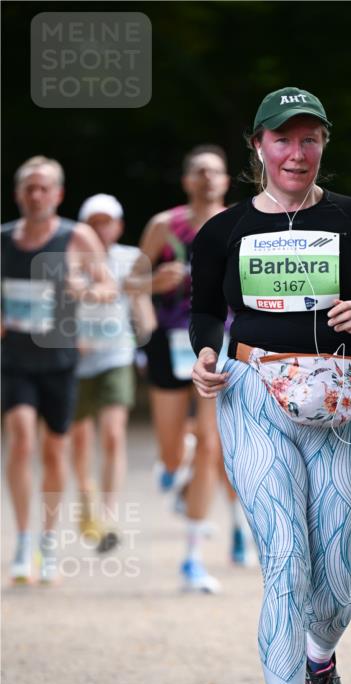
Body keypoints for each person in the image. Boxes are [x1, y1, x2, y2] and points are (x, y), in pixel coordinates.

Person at [189, 87, 351, 684]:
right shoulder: (223, 230)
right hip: (254, 396)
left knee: (334, 589)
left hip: (342, 400)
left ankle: (321, 653)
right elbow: (203, 310)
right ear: (256, 147)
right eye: (283, 139)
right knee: (284, 559)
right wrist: (203, 355)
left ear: (323, 146)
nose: (297, 152)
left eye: (309, 138)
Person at [133, 144, 252, 592]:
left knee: (209, 445)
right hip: (170, 342)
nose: (207, 178)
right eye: (199, 171)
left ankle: (192, 559)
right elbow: (132, 281)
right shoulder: (165, 226)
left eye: (215, 172)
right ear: (187, 180)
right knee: (172, 452)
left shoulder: (242, 222)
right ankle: (172, 462)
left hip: (220, 343)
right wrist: (150, 282)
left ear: (226, 181)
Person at [1, 156, 115, 584]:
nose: (35, 195)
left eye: (43, 187)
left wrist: (83, 287)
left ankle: (48, 544)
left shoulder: (76, 236)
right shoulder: (4, 240)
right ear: (18, 194)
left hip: (60, 360)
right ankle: (23, 541)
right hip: (13, 361)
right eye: (29, 187)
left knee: (53, 451)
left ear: (58, 194)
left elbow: (107, 286)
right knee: (21, 441)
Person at [71, 194, 149, 551]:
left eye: (108, 221)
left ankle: (108, 512)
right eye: (94, 222)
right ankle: (86, 502)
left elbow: (141, 305)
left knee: (114, 434)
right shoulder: (67, 258)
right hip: (74, 359)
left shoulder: (131, 259)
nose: (101, 228)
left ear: (118, 225)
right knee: (80, 439)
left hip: (116, 355)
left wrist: (147, 336)